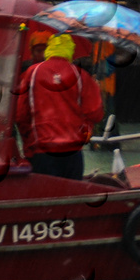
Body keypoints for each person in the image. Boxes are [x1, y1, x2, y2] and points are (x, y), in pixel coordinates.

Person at [16, 34, 103, 179]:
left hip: (41, 150)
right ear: (71, 50)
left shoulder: (32, 73)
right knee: (70, 195)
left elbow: (21, 115)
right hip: (73, 151)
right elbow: (95, 114)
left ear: (50, 48)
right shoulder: (81, 75)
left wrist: (28, 144)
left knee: (44, 195)